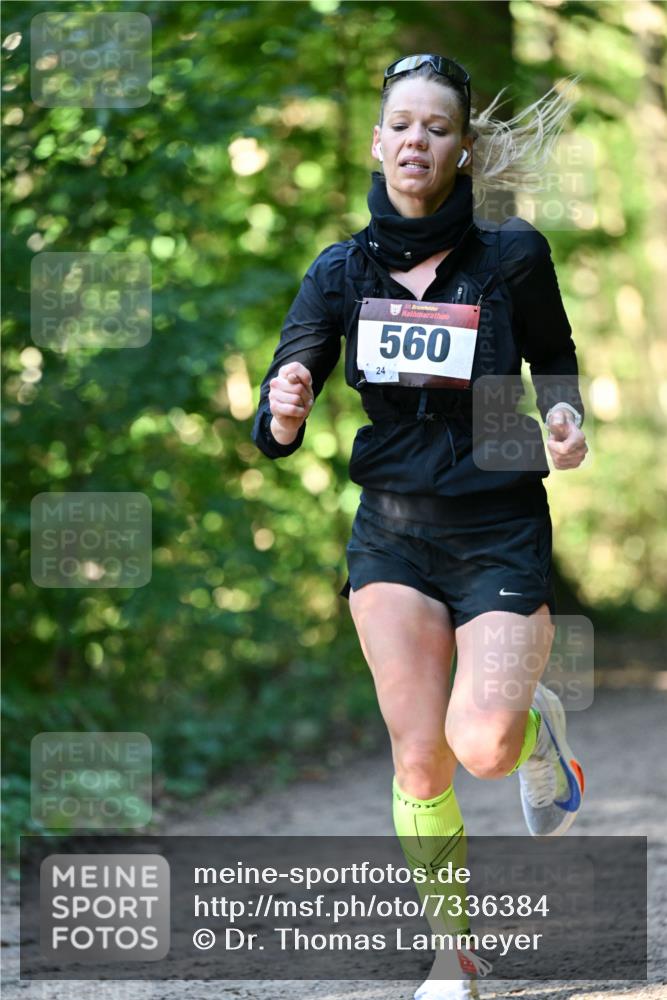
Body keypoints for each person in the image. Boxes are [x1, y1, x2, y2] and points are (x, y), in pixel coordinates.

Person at [251, 53, 588, 1000]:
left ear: (464, 150)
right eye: (400, 124)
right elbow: (286, 394)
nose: (415, 141)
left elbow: (554, 364)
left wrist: (564, 422)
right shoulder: (340, 270)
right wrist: (281, 410)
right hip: (392, 531)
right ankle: (454, 954)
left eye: (436, 128)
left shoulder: (510, 256)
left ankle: (534, 734)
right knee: (418, 751)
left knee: (481, 743)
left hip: (498, 524)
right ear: (376, 140)